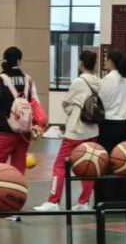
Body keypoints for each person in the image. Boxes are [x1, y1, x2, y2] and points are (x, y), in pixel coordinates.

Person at [34, 49, 100, 213]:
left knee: (60, 165)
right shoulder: (98, 81)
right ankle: (84, 202)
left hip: (76, 130)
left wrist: (72, 110)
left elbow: (66, 103)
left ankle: (53, 201)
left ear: (81, 63)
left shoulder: (79, 82)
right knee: (88, 166)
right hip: (93, 130)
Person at [0, 46, 42, 173]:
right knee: (19, 168)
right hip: (24, 131)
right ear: (20, 61)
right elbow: (35, 103)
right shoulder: (28, 80)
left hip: (4, 130)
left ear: (4, 61)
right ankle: (17, 185)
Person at [95, 50, 126, 205]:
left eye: (106, 59)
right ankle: (121, 199)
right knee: (121, 161)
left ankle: (105, 199)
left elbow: (102, 102)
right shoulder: (125, 79)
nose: (105, 61)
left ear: (111, 61)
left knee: (105, 162)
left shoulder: (108, 79)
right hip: (122, 124)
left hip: (107, 125)